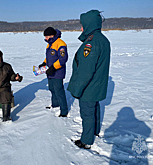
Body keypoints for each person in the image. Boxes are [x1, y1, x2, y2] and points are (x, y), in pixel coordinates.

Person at [67, 10, 111, 149]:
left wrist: (77, 89)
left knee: (87, 113)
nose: (81, 28)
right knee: (95, 109)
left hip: (89, 87)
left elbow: (86, 71)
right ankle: (95, 132)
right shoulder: (103, 40)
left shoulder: (91, 43)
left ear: (89, 25)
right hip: (97, 85)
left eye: (83, 25)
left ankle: (86, 141)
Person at [39, 27, 68, 117]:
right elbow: (49, 57)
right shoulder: (50, 44)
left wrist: (53, 67)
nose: (45, 39)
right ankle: (55, 105)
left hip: (57, 72)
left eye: (46, 37)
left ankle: (64, 111)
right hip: (50, 71)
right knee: (52, 89)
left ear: (52, 35)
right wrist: (44, 63)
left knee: (59, 91)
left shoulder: (60, 44)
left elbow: (63, 59)